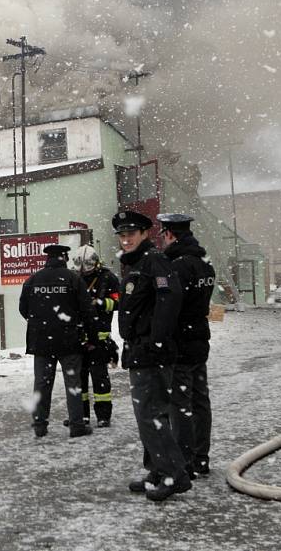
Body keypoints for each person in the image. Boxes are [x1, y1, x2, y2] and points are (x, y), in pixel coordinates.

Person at [114, 211, 189, 502]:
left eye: (132, 233)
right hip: (138, 350)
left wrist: (157, 340)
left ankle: (175, 474)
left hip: (151, 351)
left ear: (145, 233)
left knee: (151, 414)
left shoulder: (154, 261)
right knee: (147, 413)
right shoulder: (136, 264)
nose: (126, 238)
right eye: (122, 234)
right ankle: (157, 469)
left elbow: (170, 296)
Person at [19, 244, 99, 439]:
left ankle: (40, 424)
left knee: (42, 384)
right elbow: (88, 311)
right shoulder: (73, 279)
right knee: (73, 382)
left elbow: (23, 309)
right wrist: (92, 337)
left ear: (47, 259)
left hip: (41, 341)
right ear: (65, 257)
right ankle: (77, 425)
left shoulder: (33, 280)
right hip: (69, 340)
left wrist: (41, 322)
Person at [158, 213, 216, 478]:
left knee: (180, 403)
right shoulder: (205, 264)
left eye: (164, 235)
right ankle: (201, 458)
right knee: (200, 400)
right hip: (199, 339)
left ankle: (185, 461)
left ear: (170, 234)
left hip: (180, 342)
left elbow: (169, 306)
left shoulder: (176, 267)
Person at [71, 244, 120, 427]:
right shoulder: (73, 278)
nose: (84, 271)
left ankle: (103, 416)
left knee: (100, 380)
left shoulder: (108, 278)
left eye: (87, 267)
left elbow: (118, 302)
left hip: (99, 339)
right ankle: (82, 415)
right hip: (78, 338)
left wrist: (99, 303)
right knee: (79, 380)